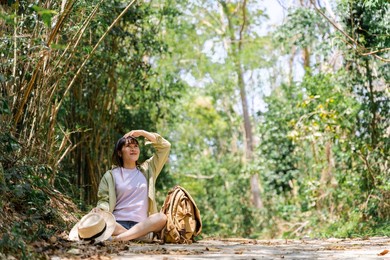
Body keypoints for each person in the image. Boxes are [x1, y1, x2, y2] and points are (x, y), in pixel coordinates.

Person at [92, 130, 171, 241]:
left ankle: (117, 239)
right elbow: (104, 200)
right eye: (129, 146)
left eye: (136, 146)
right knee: (99, 218)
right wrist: (100, 210)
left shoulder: (148, 170)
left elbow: (165, 147)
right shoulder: (110, 175)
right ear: (120, 152)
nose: (133, 149)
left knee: (161, 217)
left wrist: (142, 133)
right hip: (117, 224)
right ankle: (135, 236)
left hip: (142, 225)